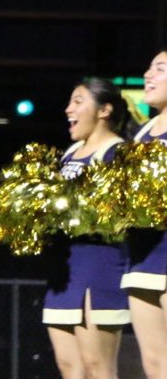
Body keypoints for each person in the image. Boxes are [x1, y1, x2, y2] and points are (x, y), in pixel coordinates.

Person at [38, 78, 134, 379]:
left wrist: (72, 209)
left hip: (99, 266)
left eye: (78, 101)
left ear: (104, 110)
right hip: (64, 268)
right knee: (71, 368)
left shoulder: (117, 152)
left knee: (97, 367)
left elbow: (121, 214)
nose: (69, 109)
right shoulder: (70, 152)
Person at [126, 51, 167, 376]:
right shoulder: (141, 132)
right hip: (142, 255)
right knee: (153, 363)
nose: (147, 75)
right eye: (148, 67)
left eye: (160, 69)